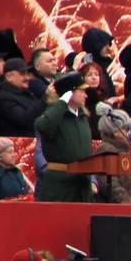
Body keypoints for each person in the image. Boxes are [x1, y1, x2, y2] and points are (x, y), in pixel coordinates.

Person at [34, 71, 96, 202]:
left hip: (82, 185)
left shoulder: (82, 118)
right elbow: (42, 125)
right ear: (70, 93)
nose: (86, 95)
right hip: (60, 186)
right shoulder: (55, 115)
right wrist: (62, 103)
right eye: (82, 91)